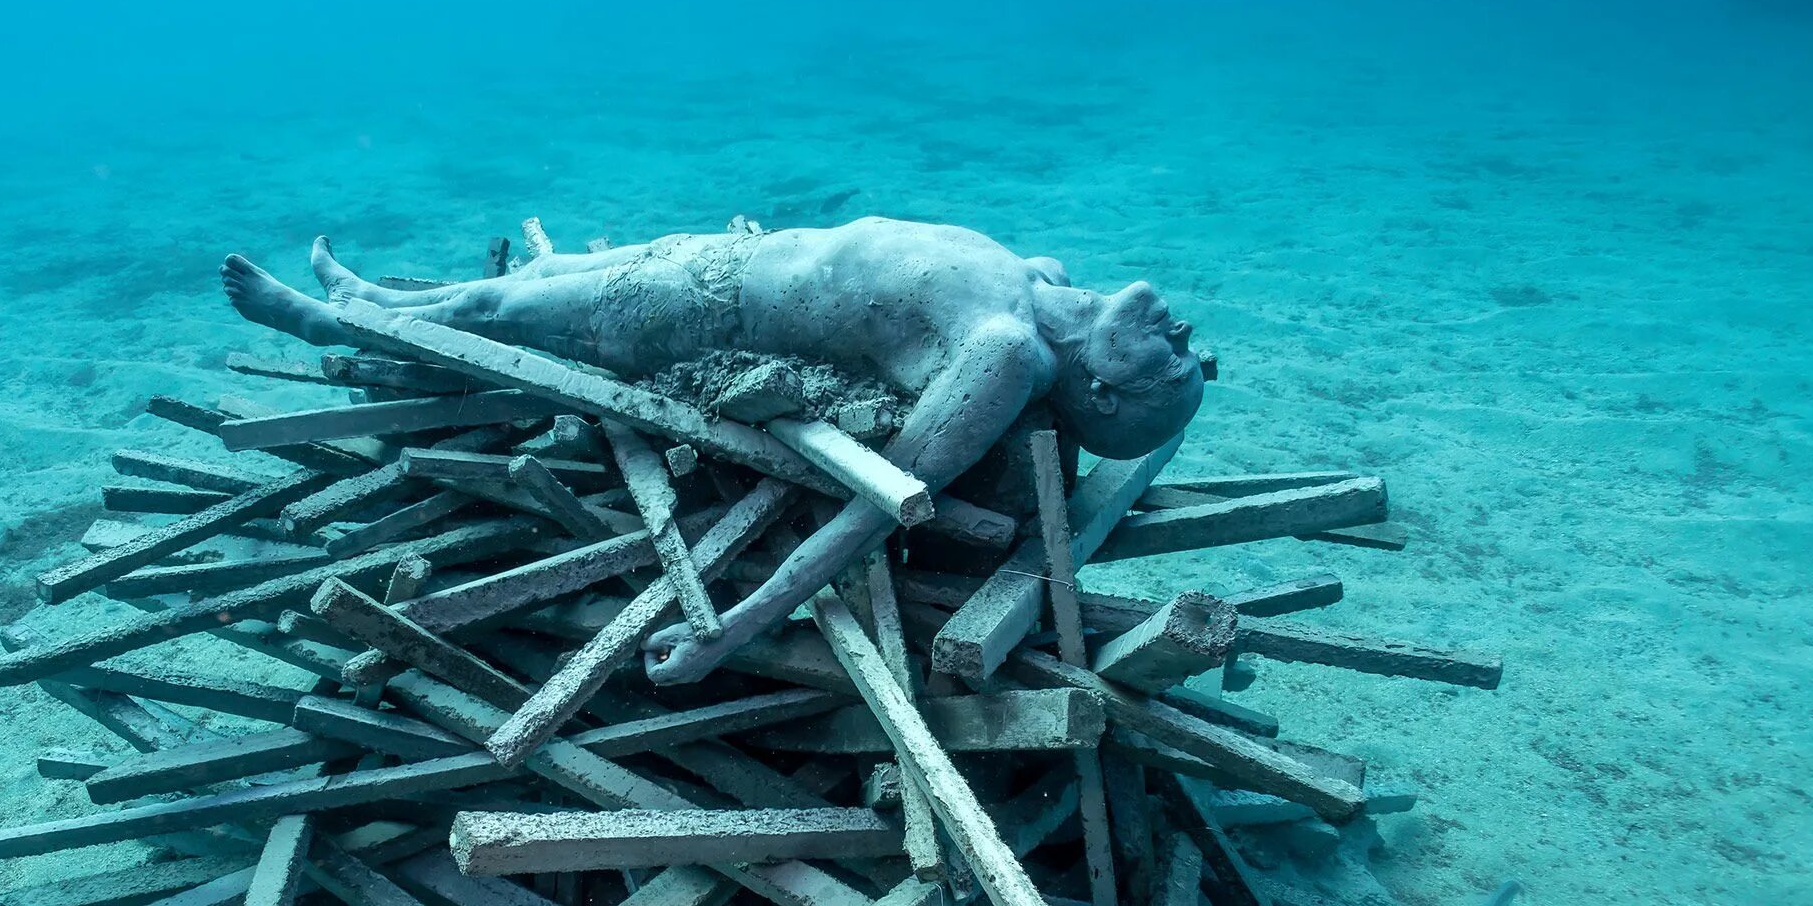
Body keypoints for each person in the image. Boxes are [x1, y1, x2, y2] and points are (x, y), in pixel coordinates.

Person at [221, 216, 1203, 683]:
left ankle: (329, 324)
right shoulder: (1044, 280)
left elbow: (884, 500)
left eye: (1172, 363)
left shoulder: (1003, 352)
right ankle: (382, 301)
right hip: (737, 257)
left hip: (707, 313)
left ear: (1104, 390)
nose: (1182, 333)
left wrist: (726, 630)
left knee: (500, 310)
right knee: (552, 273)